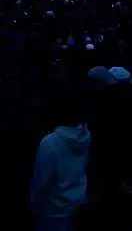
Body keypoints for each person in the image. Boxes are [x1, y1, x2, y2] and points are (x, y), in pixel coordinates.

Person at [29, 86, 91, 231]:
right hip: (79, 206)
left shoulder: (49, 143)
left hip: (53, 215)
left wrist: (32, 205)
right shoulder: (87, 135)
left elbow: (41, 181)